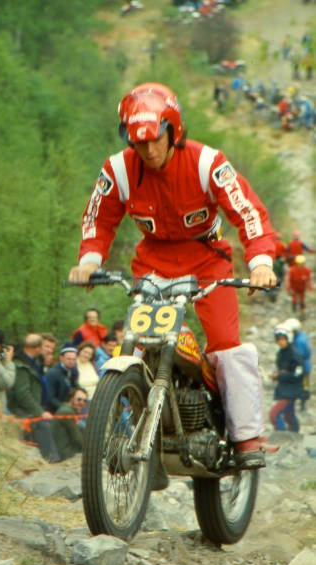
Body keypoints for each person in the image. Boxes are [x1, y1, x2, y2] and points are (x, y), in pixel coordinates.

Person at [69, 81, 278, 470]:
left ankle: (246, 436)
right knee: (136, 345)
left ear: (173, 130)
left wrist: (261, 262)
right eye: (138, 142)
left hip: (207, 259)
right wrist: (89, 261)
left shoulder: (207, 162)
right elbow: (98, 219)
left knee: (226, 346)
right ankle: (131, 432)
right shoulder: (118, 169)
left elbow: (248, 212)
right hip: (152, 261)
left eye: (155, 139)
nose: (148, 150)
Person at [7, 333, 59, 462]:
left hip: (36, 407)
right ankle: (50, 459)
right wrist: (39, 412)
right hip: (21, 410)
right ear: (36, 348)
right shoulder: (21, 365)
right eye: (44, 346)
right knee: (43, 425)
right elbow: (23, 394)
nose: (47, 350)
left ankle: (54, 457)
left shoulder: (35, 361)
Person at [269, 325, 303, 433]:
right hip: (284, 390)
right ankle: (294, 438)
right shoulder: (281, 353)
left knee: (274, 414)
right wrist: (277, 374)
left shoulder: (294, 354)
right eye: (278, 339)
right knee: (289, 416)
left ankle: (281, 437)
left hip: (291, 391)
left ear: (288, 339)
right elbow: (284, 369)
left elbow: (297, 375)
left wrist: (279, 376)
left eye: (283, 339)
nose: (281, 342)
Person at [51, 387, 88, 461]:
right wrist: (92, 448)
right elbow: (77, 438)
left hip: (65, 449)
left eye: (84, 401)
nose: (81, 403)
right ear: (71, 398)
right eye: (79, 399)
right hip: (66, 453)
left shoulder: (66, 408)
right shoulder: (68, 412)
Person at [284, 317, 312, 410]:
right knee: (305, 384)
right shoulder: (302, 336)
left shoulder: (299, 341)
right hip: (305, 365)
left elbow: (300, 355)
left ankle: (302, 404)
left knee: (303, 385)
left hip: (302, 366)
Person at [45, 344, 79, 413]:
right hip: (55, 411)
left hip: (69, 408)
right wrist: (65, 408)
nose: (71, 362)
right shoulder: (53, 373)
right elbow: (49, 398)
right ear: (61, 358)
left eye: (73, 359)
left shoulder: (74, 372)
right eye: (68, 359)